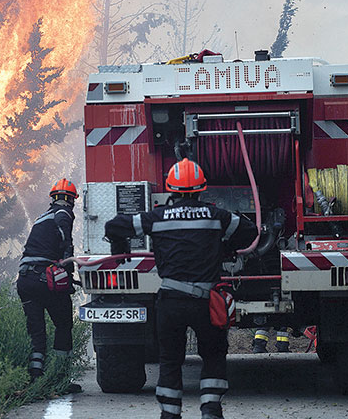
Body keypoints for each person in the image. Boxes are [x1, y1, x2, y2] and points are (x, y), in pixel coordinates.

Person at [105, 159, 257, 419]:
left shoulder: (156, 217)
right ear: (201, 189)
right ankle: (211, 410)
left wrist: (120, 249)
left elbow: (114, 226)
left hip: (171, 301)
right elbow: (249, 230)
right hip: (206, 302)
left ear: (171, 190)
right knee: (213, 354)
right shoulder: (216, 215)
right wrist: (225, 248)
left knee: (170, 359)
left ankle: (170, 414)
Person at [17, 178, 80, 388]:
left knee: (37, 331)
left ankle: (35, 378)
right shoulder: (64, 214)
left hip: (25, 280)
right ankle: (61, 379)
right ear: (71, 200)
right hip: (45, 279)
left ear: (53, 198)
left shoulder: (41, 217)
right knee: (63, 325)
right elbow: (65, 243)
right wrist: (68, 275)